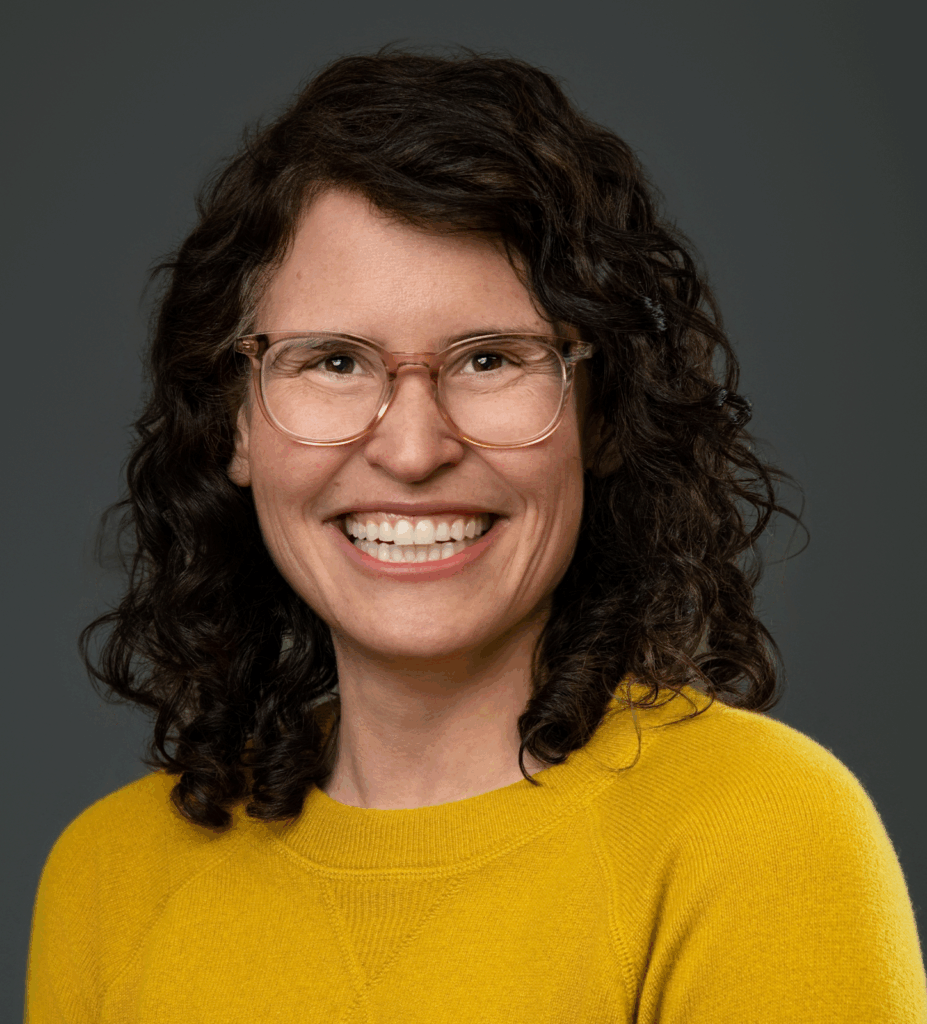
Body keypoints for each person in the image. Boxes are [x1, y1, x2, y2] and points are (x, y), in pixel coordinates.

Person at [25, 46, 926, 1023]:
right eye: (334, 361)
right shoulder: (107, 877)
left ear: (601, 413)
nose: (414, 450)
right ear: (234, 423)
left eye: (491, 358)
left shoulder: (761, 835)